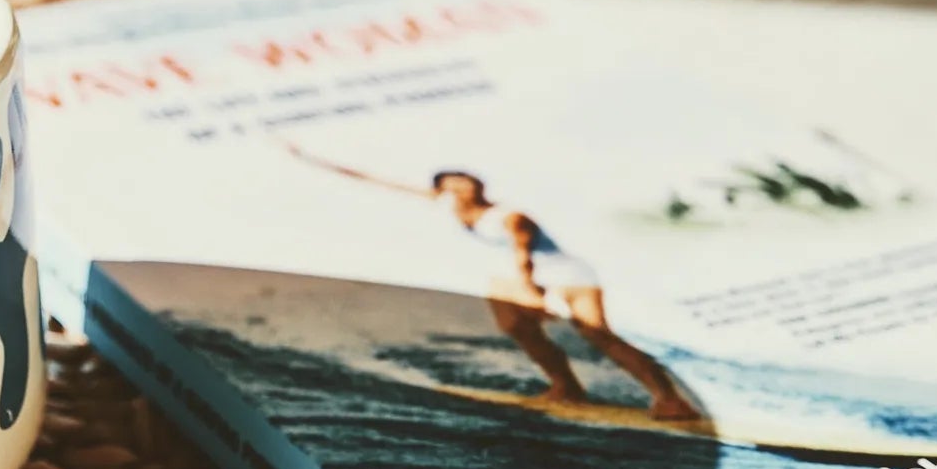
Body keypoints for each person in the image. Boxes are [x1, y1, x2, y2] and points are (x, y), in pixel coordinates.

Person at [286, 145, 697, 420]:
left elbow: (523, 251)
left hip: (563, 273)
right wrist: (313, 159)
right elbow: (379, 182)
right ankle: (567, 386)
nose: (465, 185)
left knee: (598, 336)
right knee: (514, 325)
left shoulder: (508, 215)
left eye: (469, 181)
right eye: (456, 182)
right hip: (517, 276)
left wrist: (532, 287)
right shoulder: (448, 206)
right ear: (444, 190)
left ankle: (669, 397)